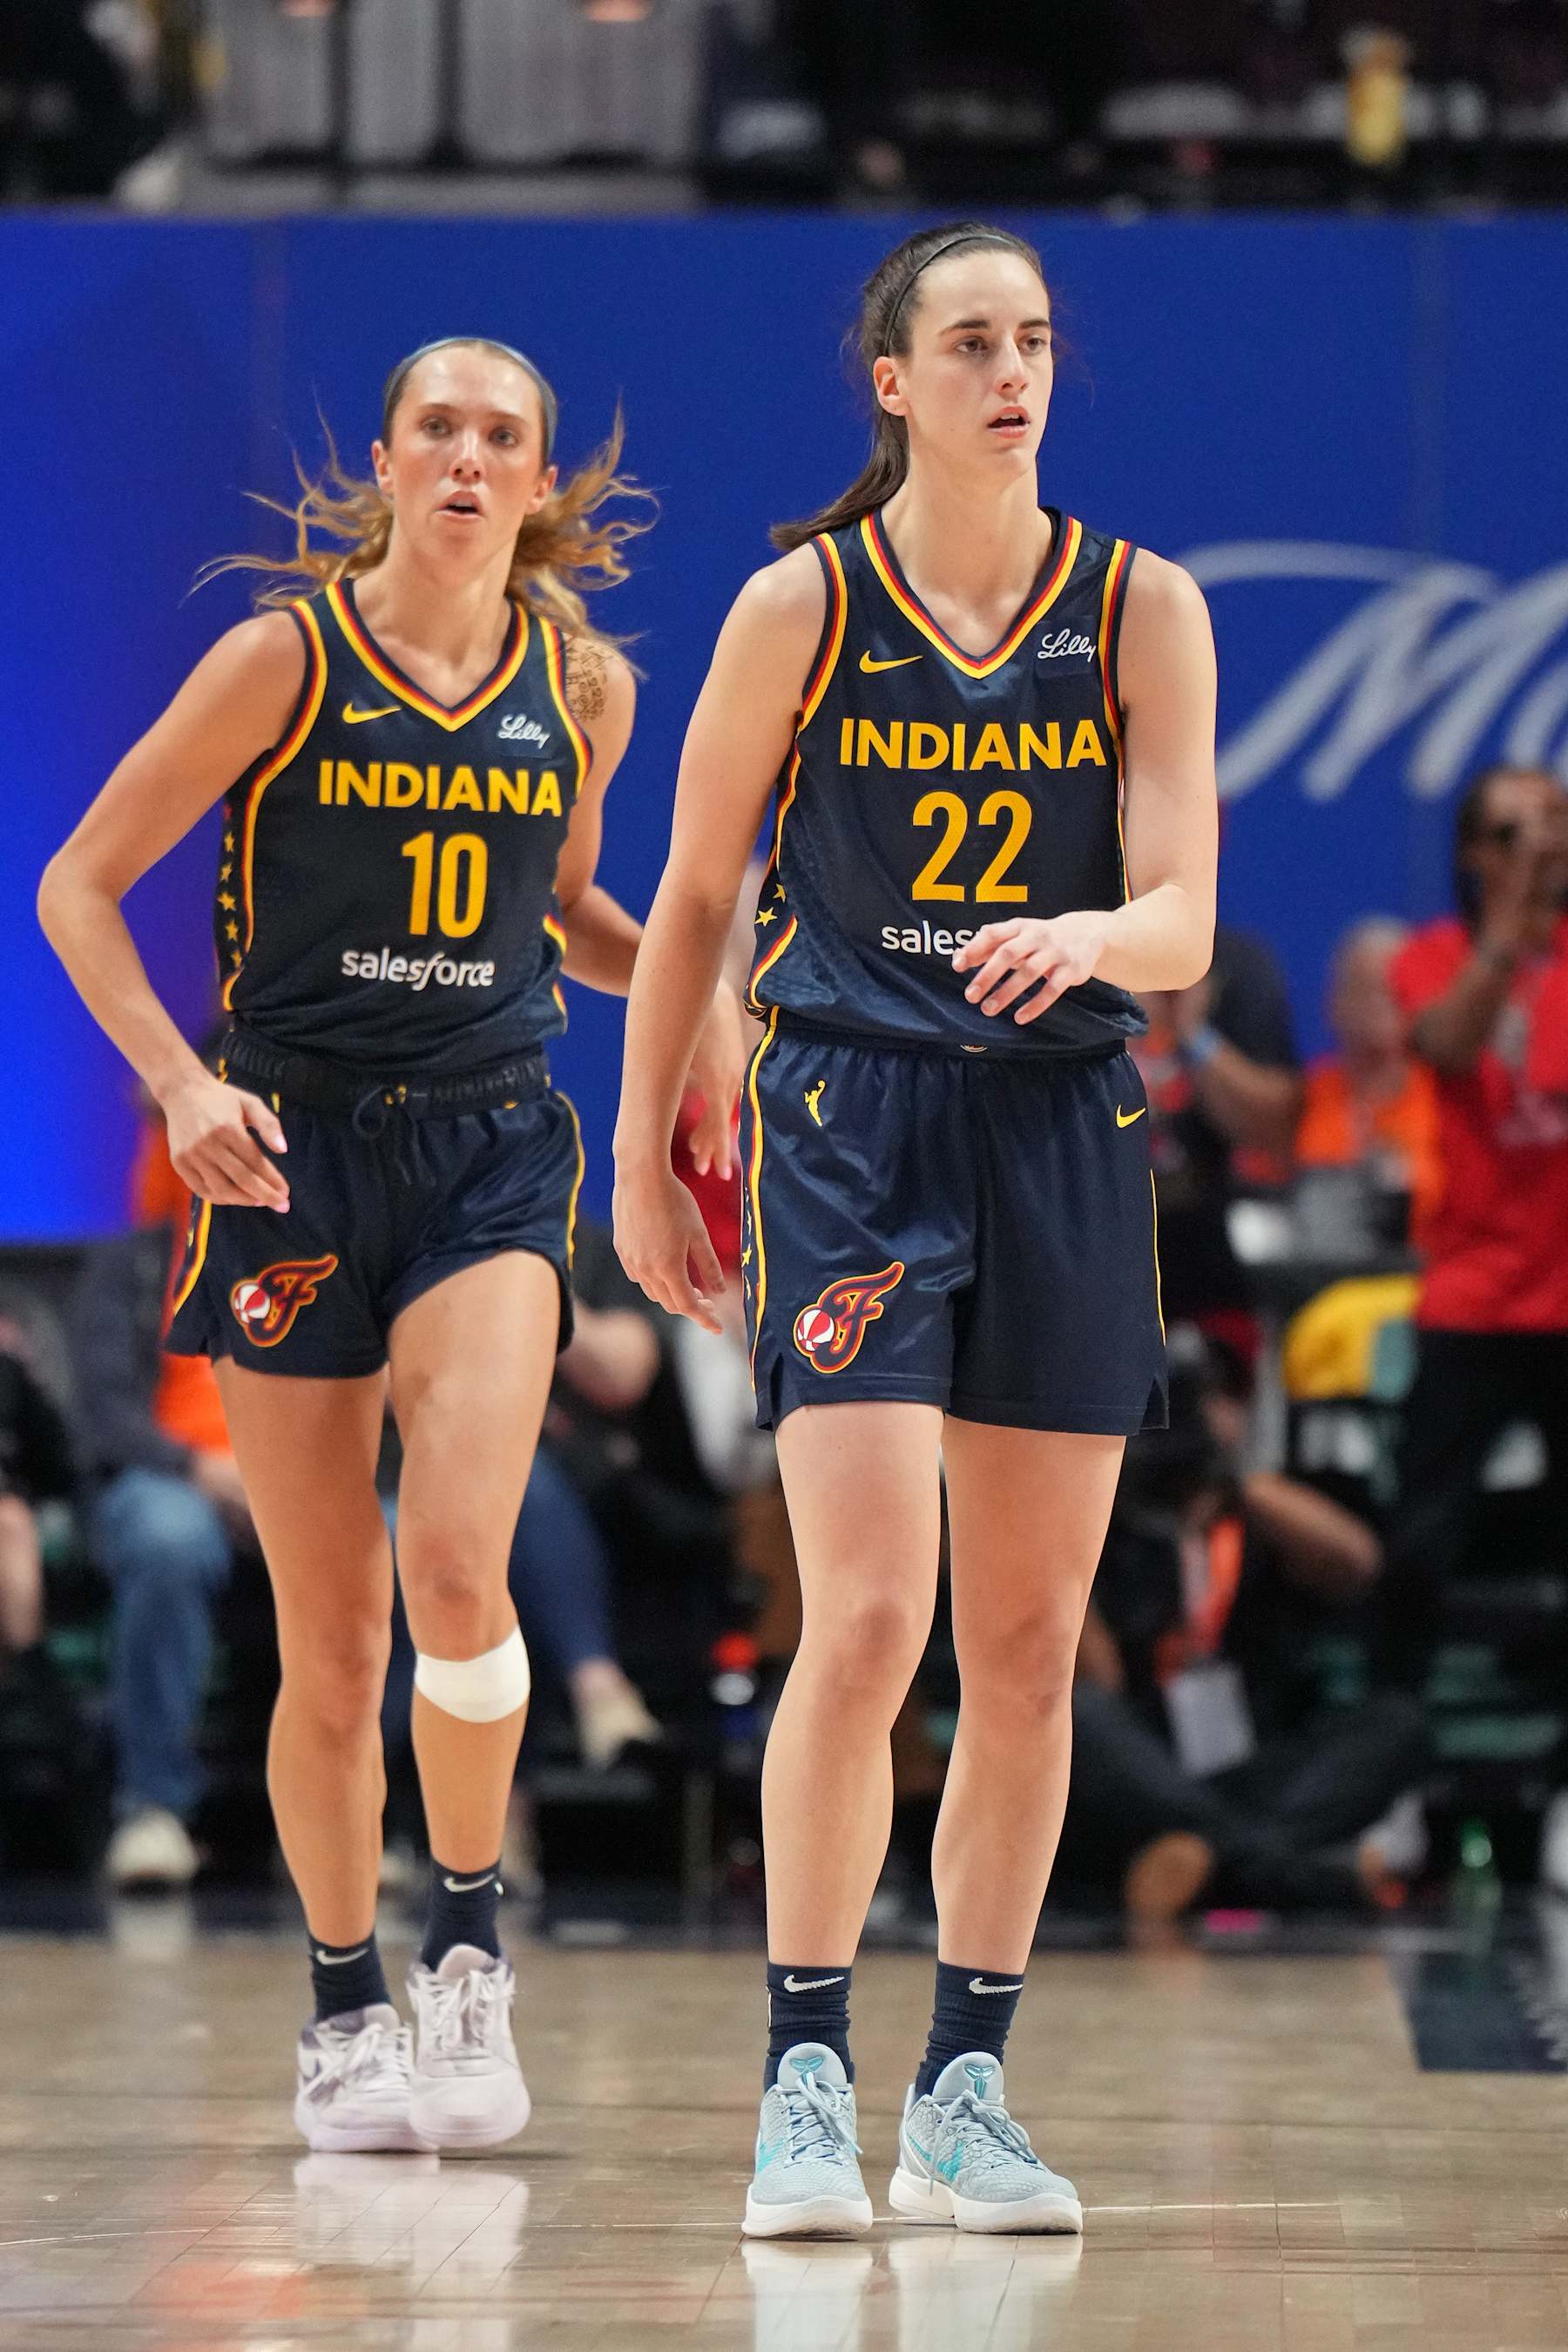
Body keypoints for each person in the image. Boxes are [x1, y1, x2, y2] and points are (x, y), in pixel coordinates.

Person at [38, 335, 740, 2155]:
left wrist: (700, 1003)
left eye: (503, 434)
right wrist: (180, 1083)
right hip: (284, 1157)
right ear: (390, 456)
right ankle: (345, 2004)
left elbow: (573, 911)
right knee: (331, 1643)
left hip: (495, 1149)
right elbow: (78, 886)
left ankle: (470, 1953)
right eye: (439, 425)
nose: (468, 455)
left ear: (534, 481)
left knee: (453, 1566)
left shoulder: (582, 684)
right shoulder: (283, 656)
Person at [613, 222, 1216, 2237]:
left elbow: (1186, 916)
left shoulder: (1145, 606)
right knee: (866, 1614)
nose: (1011, 370)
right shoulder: (803, 603)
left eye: (1033, 339)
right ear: (892, 377)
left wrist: (1095, 933)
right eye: (971, 340)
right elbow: (691, 896)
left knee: (1030, 1638)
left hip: (1058, 1117)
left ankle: (964, 2084)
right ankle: (803, 2070)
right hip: (853, 1117)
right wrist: (638, 1151)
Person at [1372, 766, 1568, 1695]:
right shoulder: (1434, 953)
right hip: (1473, 1298)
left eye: (1553, 827)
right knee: (1415, 1551)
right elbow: (1448, 1047)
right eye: (1513, 832)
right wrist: (1509, 932)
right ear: (1473, 854)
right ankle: (1387, 1753)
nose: (1539, 849)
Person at [1293, 916, 1440, 1260]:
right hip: (1322, 1284)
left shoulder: (1453, 1103)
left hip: (1423, 1281)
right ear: (1333, 1001)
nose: (1380, 1001)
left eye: (1394, 986)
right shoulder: (1303, 1098)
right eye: (1364, 987)